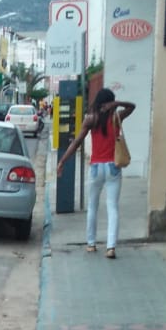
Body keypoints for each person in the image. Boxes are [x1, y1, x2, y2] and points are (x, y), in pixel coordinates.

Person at [56, 88, 134, 259]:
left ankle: (91, 244)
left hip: (96, 167)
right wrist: (118, 104)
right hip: (113, 167)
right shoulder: (116, 117)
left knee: (93, 206)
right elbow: (132, 107)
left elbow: (77, 142)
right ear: (110, 102)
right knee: (112, 207)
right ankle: (111, 247)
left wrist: (62, 161)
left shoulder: (91, 119)